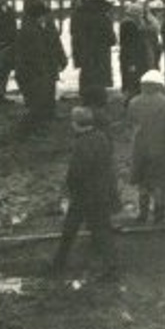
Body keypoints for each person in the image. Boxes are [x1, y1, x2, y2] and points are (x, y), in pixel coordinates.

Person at [49, 107, 119, 281]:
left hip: (84, 194)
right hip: (101, 191)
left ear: (76, 123)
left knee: (72, 228)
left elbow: (77, 171)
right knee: (101, 229)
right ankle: (110, 265)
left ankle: (59, 262)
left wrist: (70, 188)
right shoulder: (101, 136)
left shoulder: (82, 143)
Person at [127, 70, 165, 223]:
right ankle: (159, 215)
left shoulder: (134, 102)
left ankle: (142, 214)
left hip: (140, 149)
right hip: (161, 148)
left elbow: (130, 123)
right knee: (159, 183)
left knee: (143, 182)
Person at [14, 0, 67, 136]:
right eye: (44, 15)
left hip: (41, 70)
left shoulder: (38, 27)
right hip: (32, 72)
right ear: (38, 16)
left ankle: (42, 122)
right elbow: (36, 54)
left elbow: (54, 44)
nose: (46, 17)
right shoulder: (30, 31)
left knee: (43, 97)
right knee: (36, 102)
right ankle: (25, 131)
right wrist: (46, 69)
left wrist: (59, 62)